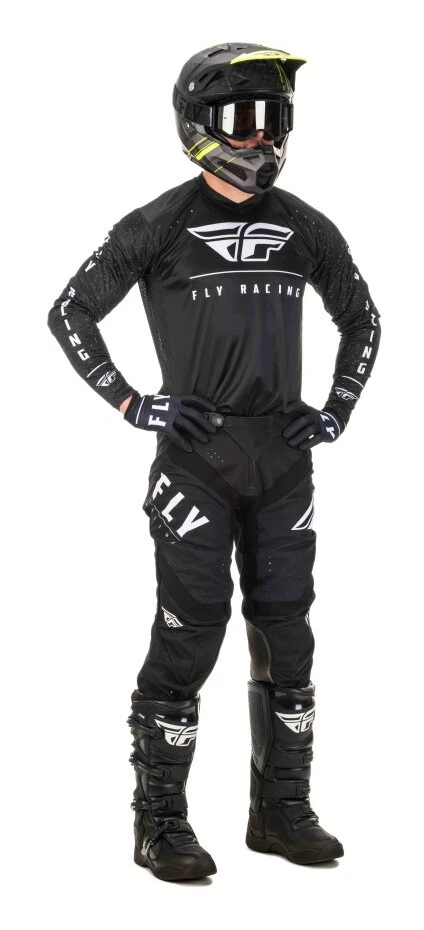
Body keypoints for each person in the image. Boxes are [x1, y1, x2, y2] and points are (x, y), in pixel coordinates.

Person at [47, 42, 381, 883]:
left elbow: (363, 319)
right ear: (197, 125)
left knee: (289, 635)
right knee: (191, 635)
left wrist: (336, 410)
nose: (260, 136)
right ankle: (160, 824)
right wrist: (134, 403)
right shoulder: (158, 223)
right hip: (194, 463)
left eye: (273, 118)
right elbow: (71, 312)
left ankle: (281, 812)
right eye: (241, 119)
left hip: (284, 465)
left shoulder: (305, 225)